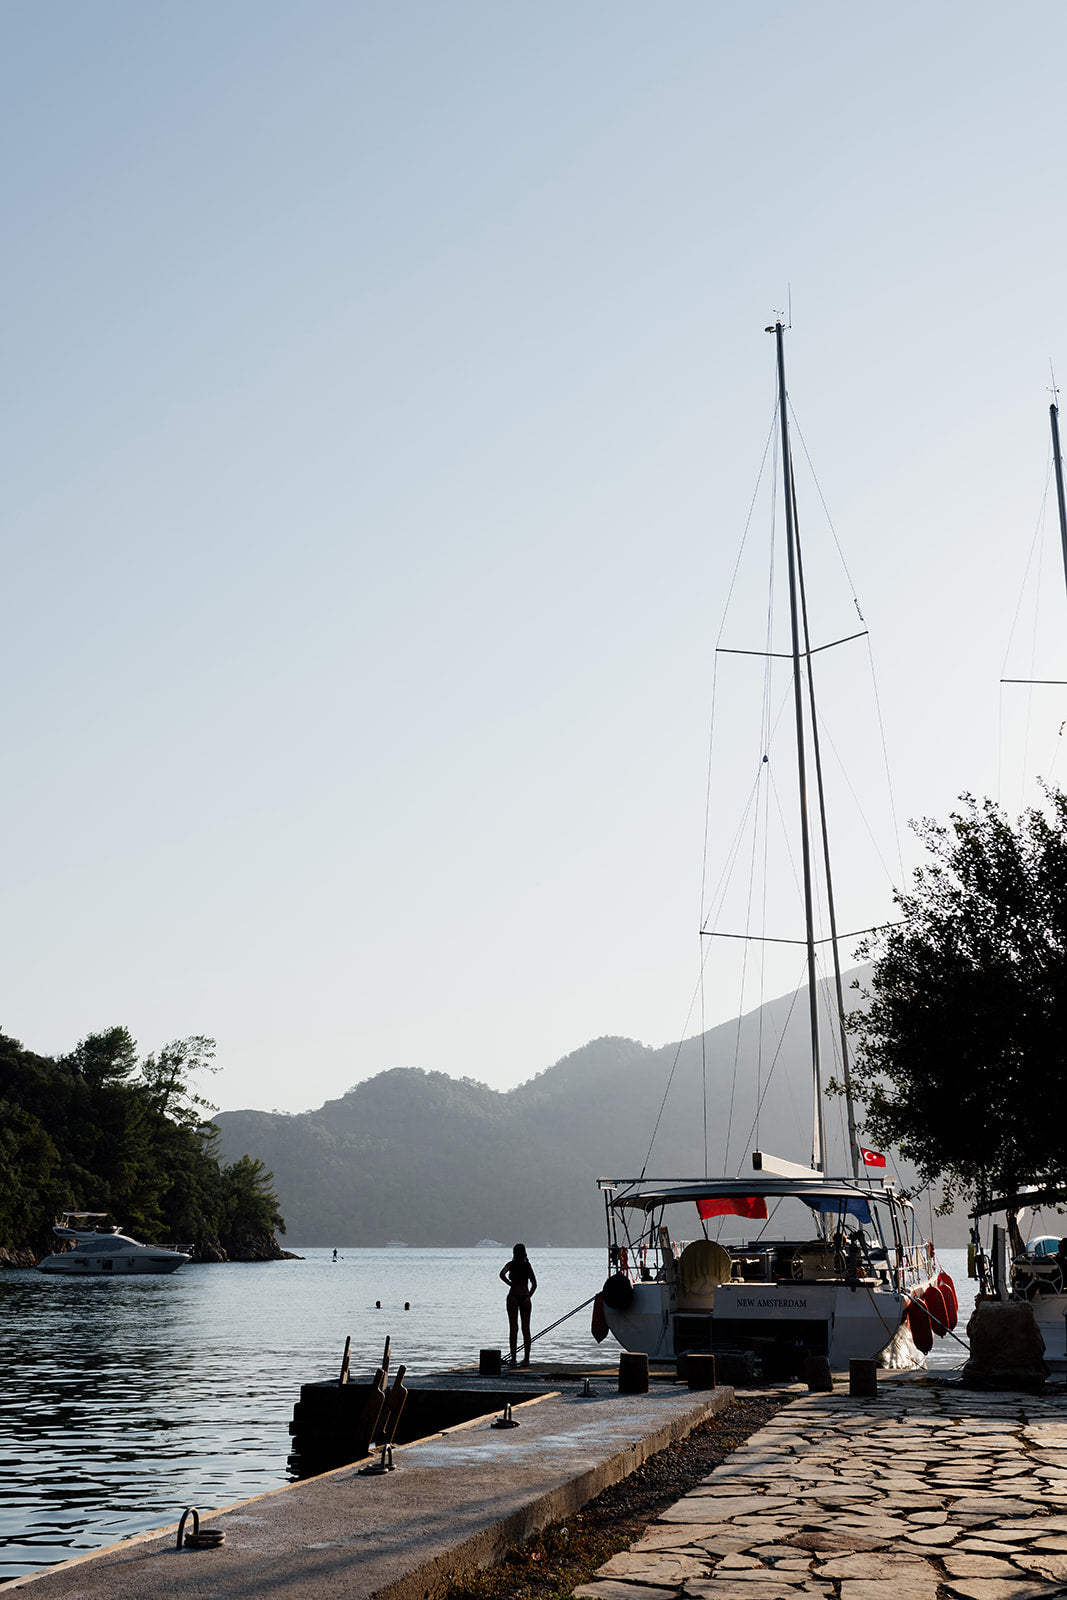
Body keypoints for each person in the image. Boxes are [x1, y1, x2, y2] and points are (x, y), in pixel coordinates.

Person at [500, 1243, 537, 1367]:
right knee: (526, 1329)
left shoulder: (511, 1264)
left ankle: (514, 1359)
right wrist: (528, 1296)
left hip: (513, 1296)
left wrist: (510, 1284)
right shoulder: (527, 1266)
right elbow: (534, 1284)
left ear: (514, 1253)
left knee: (513, 1328)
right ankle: (526, 1359)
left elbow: (501, 1274)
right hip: (525, 1297)